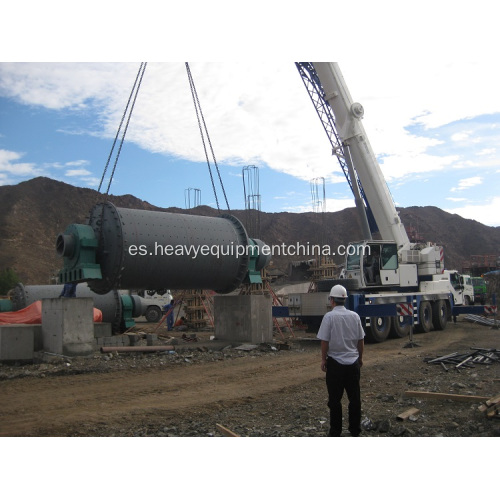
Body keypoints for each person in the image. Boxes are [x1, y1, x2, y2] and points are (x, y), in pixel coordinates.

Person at [317, 284, 365, 437]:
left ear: (332, 300)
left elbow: (324, 341)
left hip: (335, 364)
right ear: (345, 299)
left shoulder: (329, 317)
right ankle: (355, 430)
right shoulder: (355, 316)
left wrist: (323, 360)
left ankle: (335, 432)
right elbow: (360, 340)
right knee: (355, 399)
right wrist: (360, 358)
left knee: (335, 401)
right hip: (352, 363)